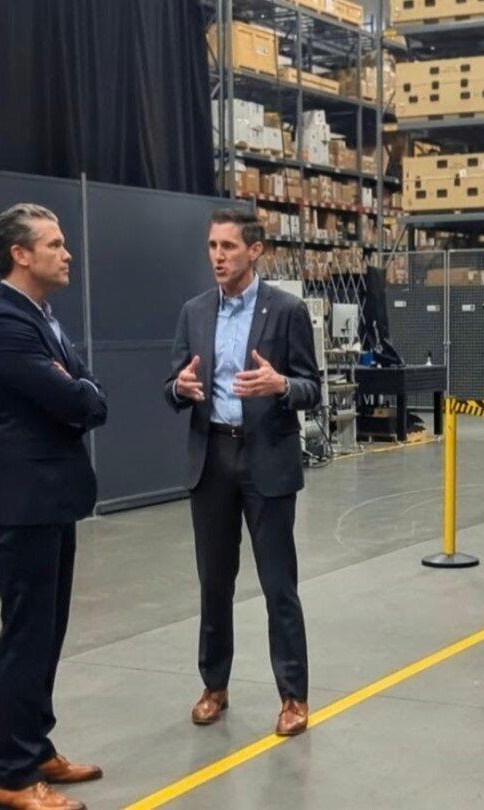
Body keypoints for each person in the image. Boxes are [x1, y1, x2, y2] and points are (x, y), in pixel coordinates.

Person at [0, 203, 107, 810]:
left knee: (46, 633)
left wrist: (76, 389)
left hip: (51, 499)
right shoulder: (2, 324)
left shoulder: (41, 318)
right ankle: (15, 777)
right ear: (20, 254)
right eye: (53, 244)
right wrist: (75, 390)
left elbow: (88, 393)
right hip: (21, 502)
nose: (66, 253)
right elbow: (70, 397)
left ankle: (37, 745)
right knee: (25, 637)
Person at [165, 208, 321, 736]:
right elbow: (173, 385)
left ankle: (293, 697)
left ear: (255, 251)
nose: (217, 256)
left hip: (266, 460)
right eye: (212, 246)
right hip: (211, 459)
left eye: (228, 246)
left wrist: (281, 386)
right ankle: (214, 685)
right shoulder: (193, 311)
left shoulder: (286, 311)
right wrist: (179, 390)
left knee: (279, 584)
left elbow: (311, 387)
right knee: (214, 583)